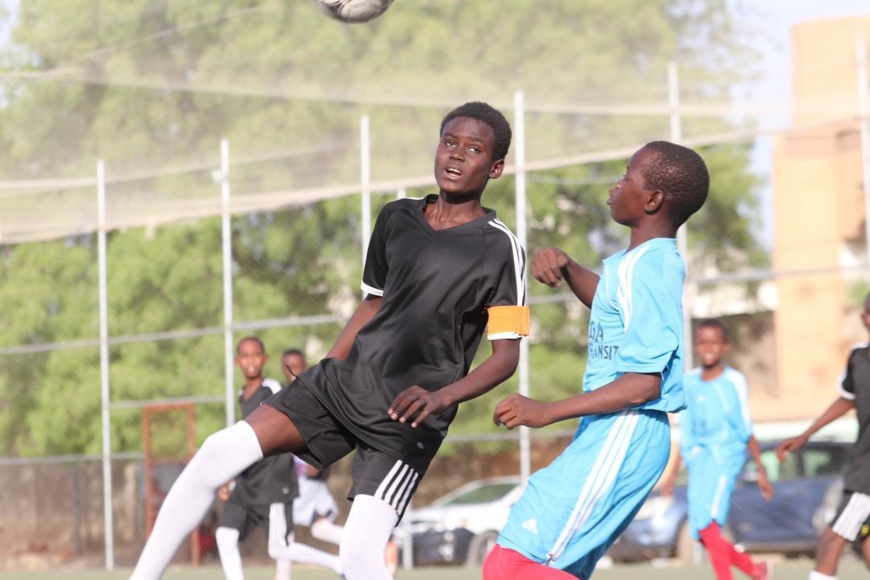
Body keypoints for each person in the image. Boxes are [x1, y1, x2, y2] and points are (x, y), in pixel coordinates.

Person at [130, 101, 529, 580]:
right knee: (216, 453)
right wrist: (328, 363)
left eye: (474, 148)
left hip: (405, 419)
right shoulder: (396, 217)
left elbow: (505, 358)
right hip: (341, 384)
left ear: (496, 167)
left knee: (359, 557)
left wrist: (440, 397)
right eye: (449, 142)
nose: (457, 155)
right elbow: (372, 304)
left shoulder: (500, 246)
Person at [483, 141, 710, 580]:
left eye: (626, 177)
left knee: (512, 566)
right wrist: (569, 267)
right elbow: (610, 303)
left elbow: (646, 383)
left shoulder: (652, 269)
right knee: (536, 564)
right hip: (615, 430)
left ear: (652, 199)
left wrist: (547, 410)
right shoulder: (634, 263)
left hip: (628, 427)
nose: (615, 185)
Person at [215, 337, 340, 580]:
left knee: (279, 548)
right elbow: (243, 442)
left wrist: (314, 457)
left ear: (264, 359)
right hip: (246, 484)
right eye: (246, 356)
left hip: (274, 482)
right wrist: (228, 475)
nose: (251, 361)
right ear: (237, 361)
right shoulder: (243, 396)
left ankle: (337, 564)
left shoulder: (271, 388)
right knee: (225, 535)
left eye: (256, 355)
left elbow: (298, 417)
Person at [660, 318, 773, 580]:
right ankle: (754, 570)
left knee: (710, 524)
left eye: (713, 342)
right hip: (699, 462)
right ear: (696, 346)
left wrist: (762, 471)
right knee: (701, 532)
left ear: (724, 346)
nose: (707, 347)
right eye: (702, 342)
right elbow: (685, 431)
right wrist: (672, 474)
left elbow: (746, 427)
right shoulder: (688, 382)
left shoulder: (734, 381)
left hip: (724, 458)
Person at [776, 291, 870, 580]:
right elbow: (847, 399)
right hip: (861, 464)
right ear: (864, 318)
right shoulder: (858, 358)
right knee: (866, 543)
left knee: (831, 540)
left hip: (867, 477)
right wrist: (806, 434)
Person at [281, 348, 399, 576]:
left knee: (281, 536)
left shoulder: (312, 391)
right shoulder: (286, 394)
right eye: (289, 367)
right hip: (295, 477)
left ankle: (285, 575)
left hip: (307, 479)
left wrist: (319, 461)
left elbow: (328, 429)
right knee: (317, 528)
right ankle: (373, 546)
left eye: (298, 366)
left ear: (305, 365)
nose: (293, 371)